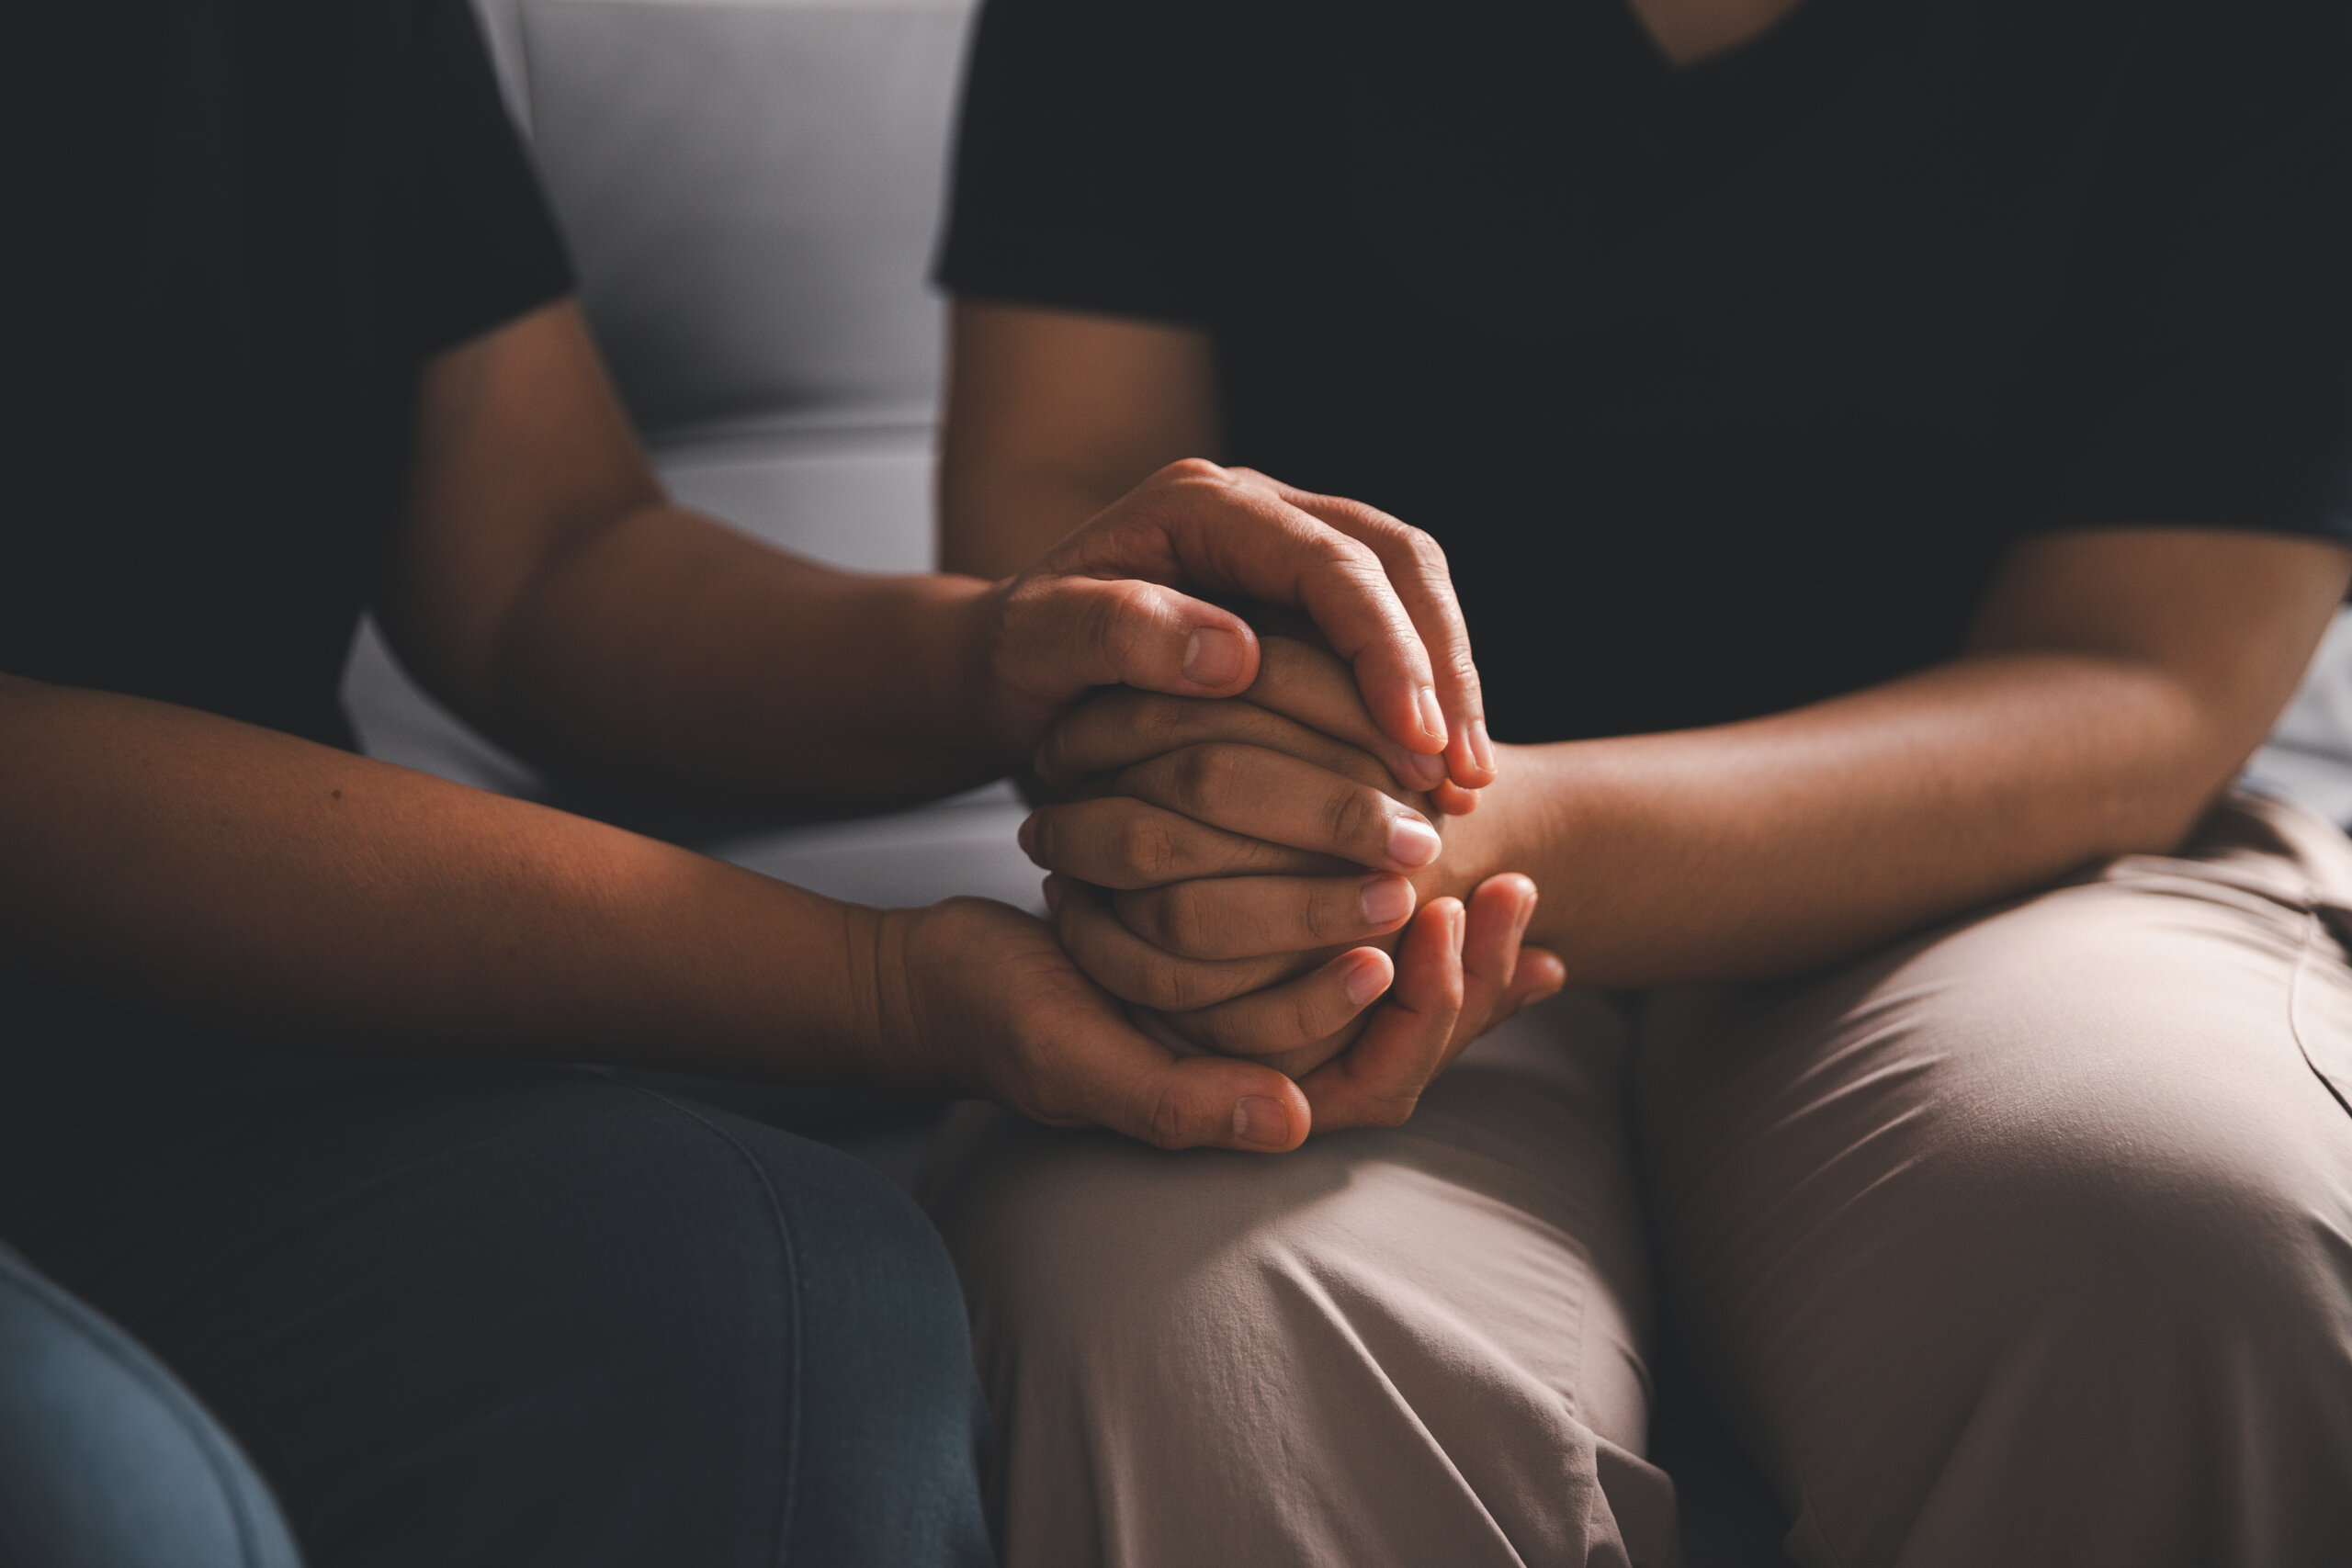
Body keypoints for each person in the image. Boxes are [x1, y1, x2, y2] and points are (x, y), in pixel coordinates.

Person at [0, 3, 1554, 1564]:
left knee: (786, 1309)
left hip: (204, 1083)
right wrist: (881, 983)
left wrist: (1018, 654)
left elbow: (536, 558)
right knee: (112, 1509)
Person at [922, 0, 2352, 1562]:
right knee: (1184, 1328)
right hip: (1325, 892)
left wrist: (1435, 835)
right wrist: (1244, 812)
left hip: (1992, 873)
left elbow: (2142, 680)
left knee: (2184, 1230)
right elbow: (1055, 503)